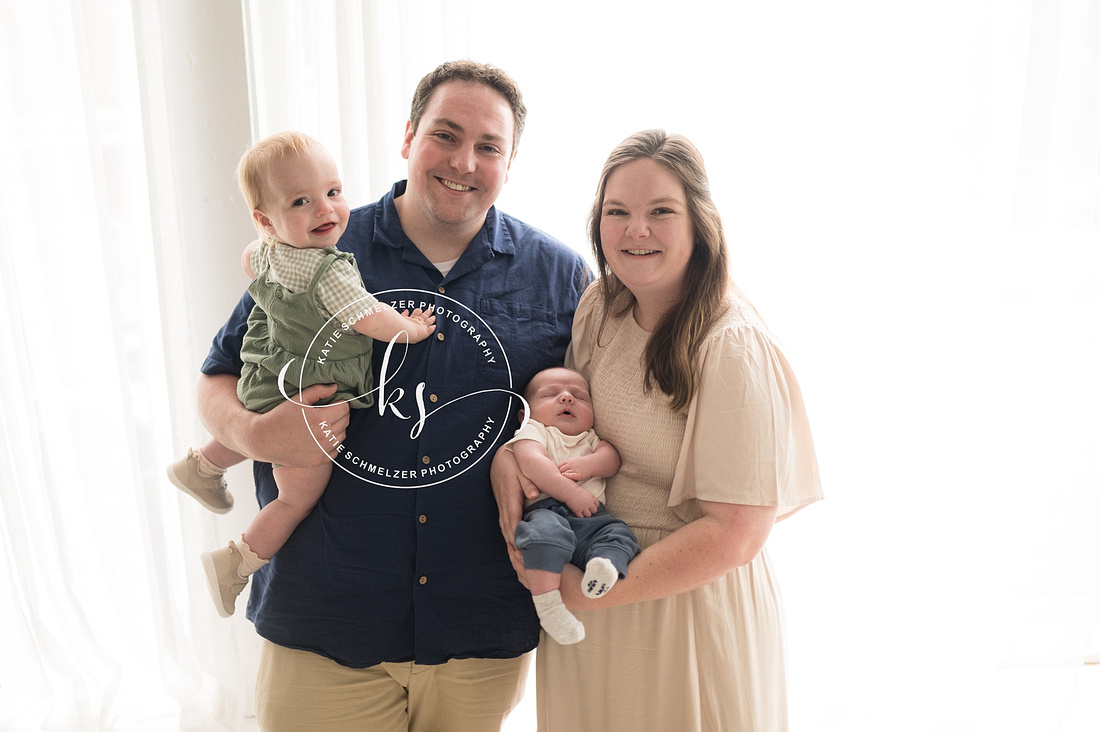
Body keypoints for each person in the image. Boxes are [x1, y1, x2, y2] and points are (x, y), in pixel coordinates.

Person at [197, 61, 590, 731]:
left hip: (480, 632)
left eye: (488, 146)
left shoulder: (559, 275)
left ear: (510, 160)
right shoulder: (314, 245)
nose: (464, 160)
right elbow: (218, 378)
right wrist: (256, 436)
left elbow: (586, 419)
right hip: (324, 621)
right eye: (445, 133)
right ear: (408, 137)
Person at [492, 130, 823, 731]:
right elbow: (568, 431)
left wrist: (581, 594)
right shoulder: (603, 305)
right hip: (592, 582)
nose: (635, 231)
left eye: (660, 212)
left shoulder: (730, 344)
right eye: (617, 212)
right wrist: (510, 462)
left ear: (700, 223)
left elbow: (737, 533)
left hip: (684, 604)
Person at [167, 132, 436, 618]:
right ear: (266, 218)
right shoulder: (330, 272)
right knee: (295, 500)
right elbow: (370, 318)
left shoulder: (268, 250)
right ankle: (236, 562)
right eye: (302, 201)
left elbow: (248, 260)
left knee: (258, 413)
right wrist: (413, 330)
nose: (325, 210)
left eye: (333, 192)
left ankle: (204, 464)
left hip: (267, 376)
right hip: (309, 396)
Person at [502, 367, 640, 645]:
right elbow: (533, 463)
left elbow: (611, 459)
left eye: (579, 396)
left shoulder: (590, 438)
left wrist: (589, 464)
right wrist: (571, 493)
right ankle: (549, 607)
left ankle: (604, 564)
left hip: (593, 519)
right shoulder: (533, 430)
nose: (566, 398)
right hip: (547, 511)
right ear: (524, 413)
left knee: (620, 534)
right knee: (540, 537)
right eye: (552, 394)